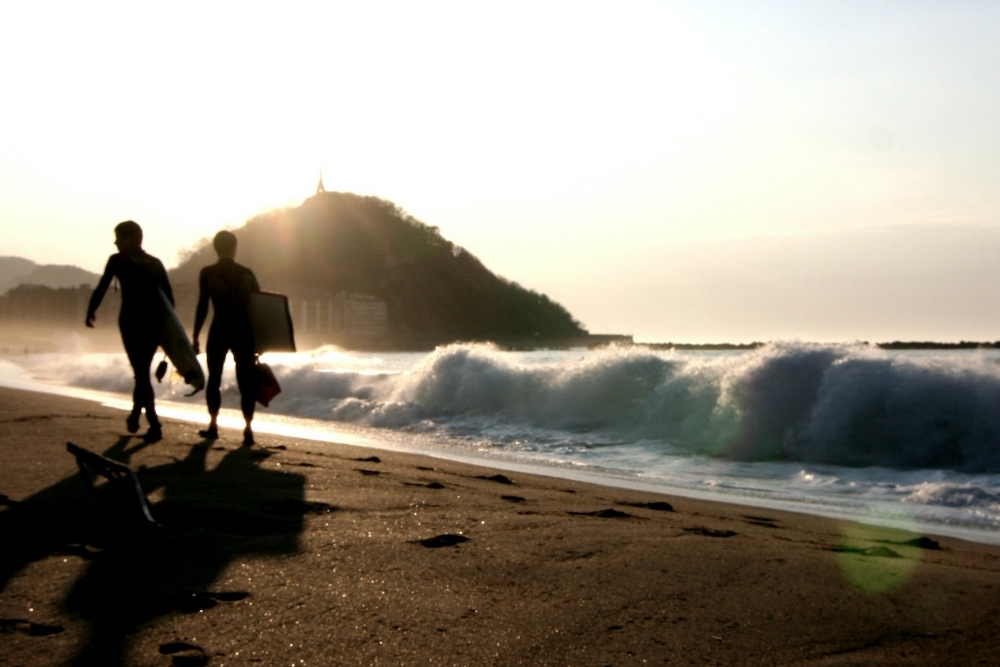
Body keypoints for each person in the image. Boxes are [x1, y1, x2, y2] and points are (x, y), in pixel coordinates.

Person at [86, 220, 172, 442]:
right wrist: (168, 332)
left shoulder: (118, 260)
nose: (115, 242)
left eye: (118, 237)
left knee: (141, 372)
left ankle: (153, 422)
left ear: (131, 238)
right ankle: (136, 415)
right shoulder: (155, 263)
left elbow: (103, 286)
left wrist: (91, 310)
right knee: (141, 370)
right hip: (153, 322)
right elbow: (169, 300)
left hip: (131, 320)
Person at [192, 230, 261, 446]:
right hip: (243, 330)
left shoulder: (208, 273)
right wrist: (262, 339)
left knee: (214, 378)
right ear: (234, 247)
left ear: (215, 248)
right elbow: (258, 307)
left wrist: (195, 335)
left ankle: (213, 426)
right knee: (246, 381)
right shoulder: (246, 273)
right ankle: (248, 430)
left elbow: (203, 306)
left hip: (219, 328)